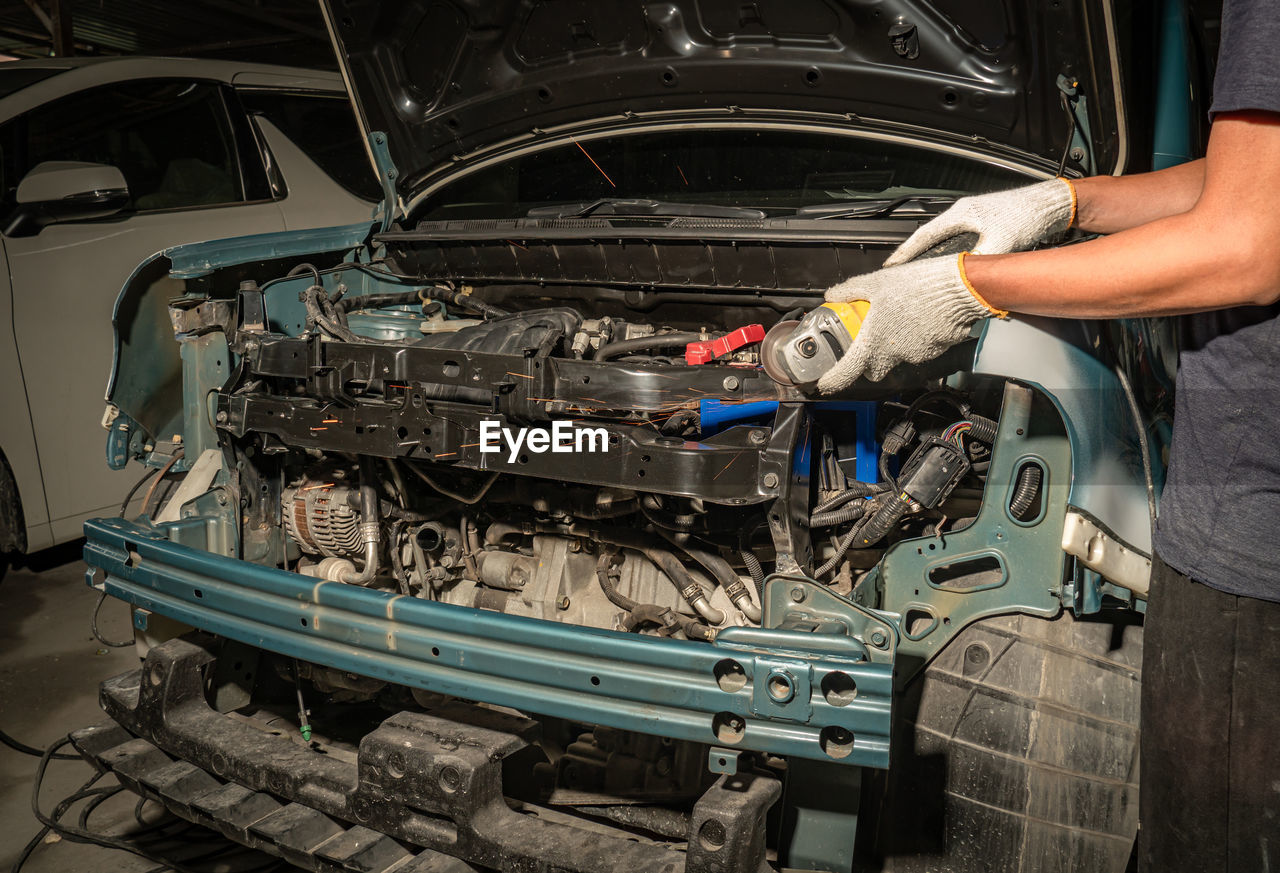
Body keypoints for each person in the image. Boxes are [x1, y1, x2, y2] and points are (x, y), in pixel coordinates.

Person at [817, 2, 1280, 870]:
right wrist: (1068, 202)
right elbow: (1245, 182)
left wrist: (972, 288)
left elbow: (1248, 242)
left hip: (1256, 541)